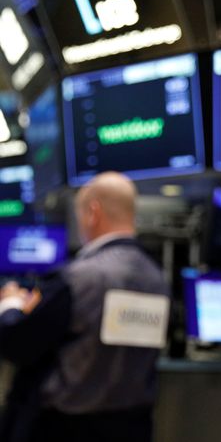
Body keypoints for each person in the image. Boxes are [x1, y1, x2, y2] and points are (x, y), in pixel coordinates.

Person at [0, 171, 170, 442]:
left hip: (65, 428)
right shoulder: (157, 278)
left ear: (93, 212)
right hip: (131, 427)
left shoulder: (80, 278)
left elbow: (17, 344)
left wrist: (10, 304)